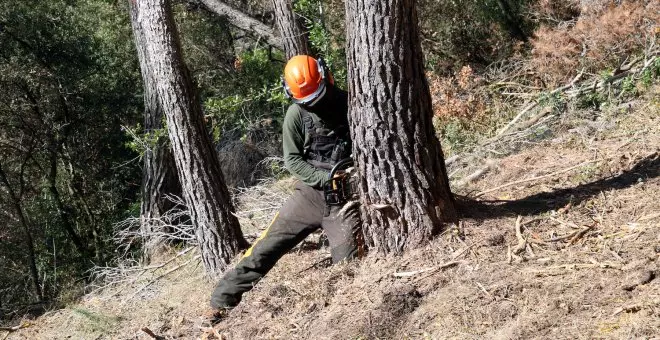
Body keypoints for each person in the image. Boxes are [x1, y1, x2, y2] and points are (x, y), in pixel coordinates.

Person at [208, 55, 362, 317]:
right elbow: (292, 160)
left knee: (347, 266)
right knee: (267, 247)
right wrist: (324, 179)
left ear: (326, 78)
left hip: (343, 201)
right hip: (310, 195)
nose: (315, 104)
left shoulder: (349, 103)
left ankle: (338, 314)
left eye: (318, 96)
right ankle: (221, 299)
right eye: (307, 100)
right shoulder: (296, 115)